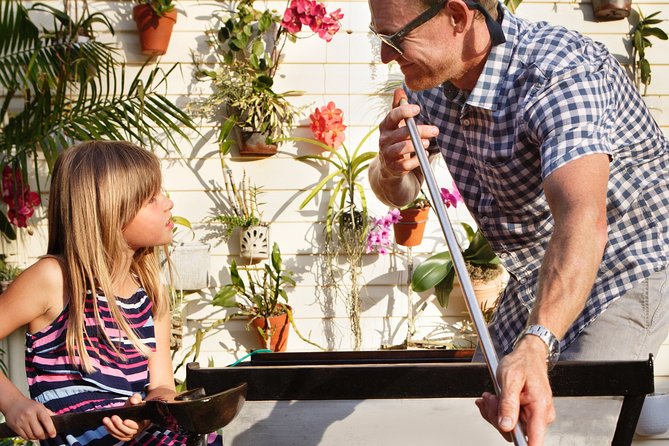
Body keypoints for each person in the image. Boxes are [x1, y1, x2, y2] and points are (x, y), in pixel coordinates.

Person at [367, 0, 669, 444]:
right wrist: (391, 167)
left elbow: (583, 216)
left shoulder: (559, 72)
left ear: (456, 17)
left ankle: (623, 404)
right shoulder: (430, 82)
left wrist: (536, 342)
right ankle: (646, 411)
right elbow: (400, 192)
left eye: (396, 39)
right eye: (381, 38)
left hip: (632, 254)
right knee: (483, 412)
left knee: (567, 421)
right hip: (545, 264)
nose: (386, 57)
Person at [0, 141, 222, 445]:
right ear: (108, 212)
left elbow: (162, 387)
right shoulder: (55, 280)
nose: (168, 203)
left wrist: (144, 414)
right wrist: (13, 404)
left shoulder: (150, 293)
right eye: (150, 198)